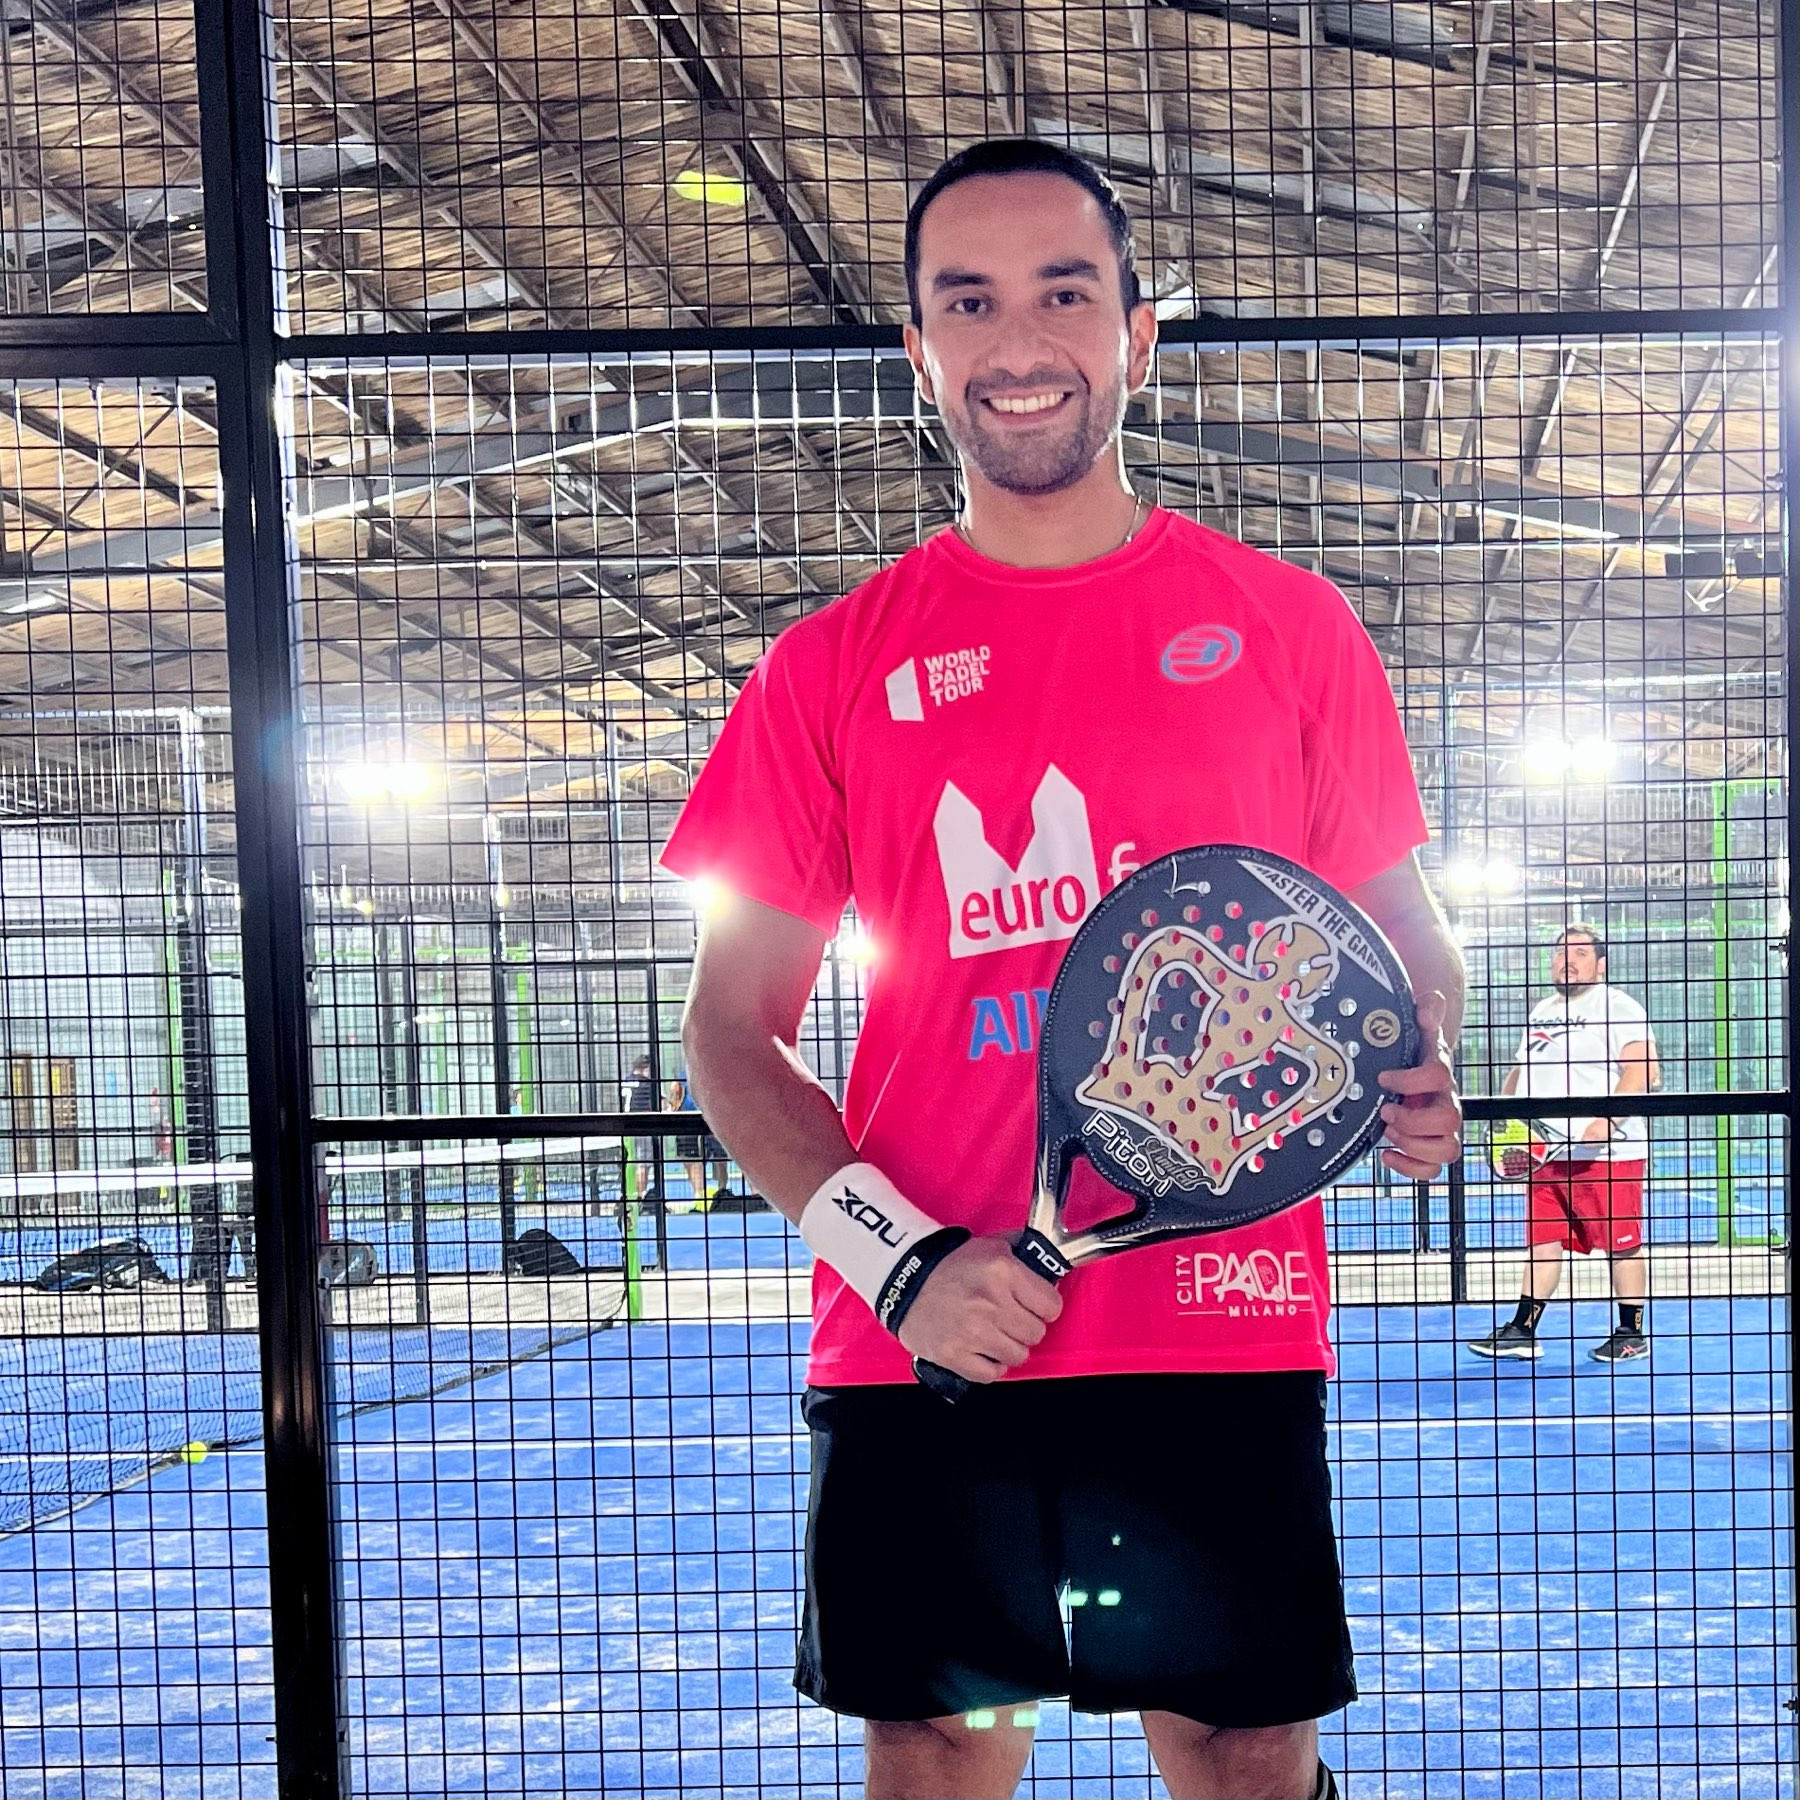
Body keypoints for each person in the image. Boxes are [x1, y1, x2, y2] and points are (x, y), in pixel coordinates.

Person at [661, 139, 1465, 1800]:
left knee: (1243, 1748)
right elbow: (731, 1034)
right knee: (938, 1749)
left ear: (1136, 336)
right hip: (931, 1341)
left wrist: (1411, 1057)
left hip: (1218, 1326)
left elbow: (1405, 942)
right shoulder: (825, 668)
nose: (1018, 342)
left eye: (1064, 293)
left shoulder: (1293, 628)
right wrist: (902, 1266)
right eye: (969, 303)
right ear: (919, 352)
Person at [1469, 923, 1660, 1364]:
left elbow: (1645, 1071)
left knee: (1622, 1242)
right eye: (1560, 952)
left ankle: (1631, 1334)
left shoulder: (1619, 1006)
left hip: (1608, 1156)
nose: (1567, 960)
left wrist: (1607, 1121)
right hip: (1544, 1155)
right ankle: (1522, 1331)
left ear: (1600, 964)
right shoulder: (1541, 1011)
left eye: (1580, 953)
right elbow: (1520, 1074)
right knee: (1543, 1242)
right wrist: (1503, 1122)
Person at [665, 1070, 730, 1208]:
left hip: (709, 1119)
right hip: (689, 1121)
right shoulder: (682, 1077)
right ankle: (701, 1195)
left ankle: (720, 1191)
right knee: (693, 1160)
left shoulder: (711, 1072)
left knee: (718, 1158)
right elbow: (674, 1097)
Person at [623, 1053, 660, 1201]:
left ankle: (631, 1194)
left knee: (632, 1162)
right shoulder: (647, 1084)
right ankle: (640, 1196)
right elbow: (655, 1104)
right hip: (642, 1127)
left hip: (625, 1127)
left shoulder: (626, 1081)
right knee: (643, 1164)